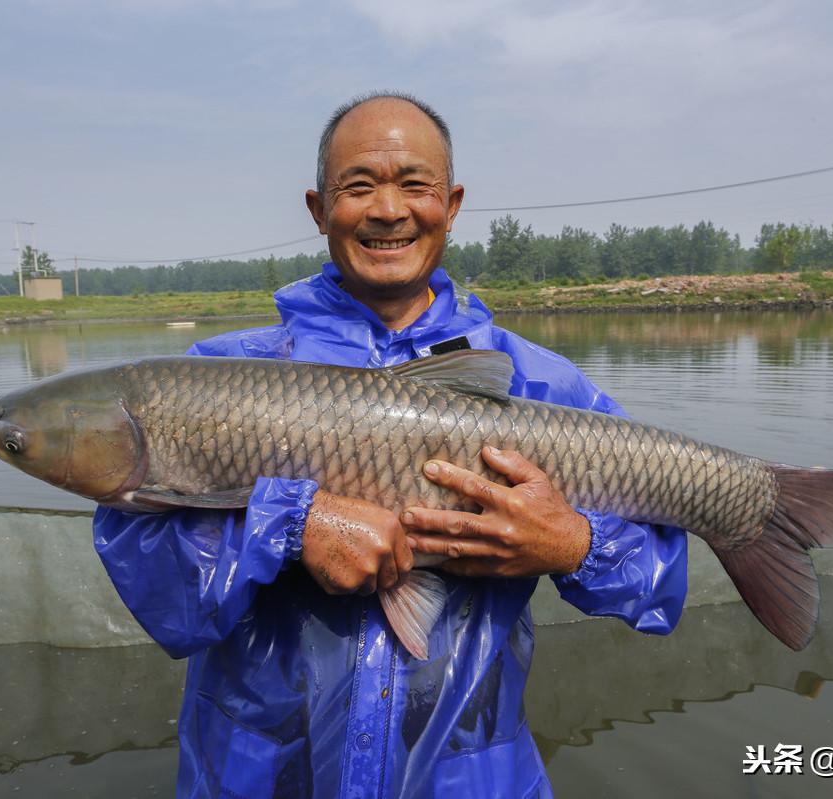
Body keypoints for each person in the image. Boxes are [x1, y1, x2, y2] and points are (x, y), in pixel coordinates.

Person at [93, 92, 688, 798]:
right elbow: (156, 584)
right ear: (319, 209)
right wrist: (288, 525)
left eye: (414, 184)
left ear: (452, 202)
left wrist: (572, 543)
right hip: (258, 776)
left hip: (472, 779)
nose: (387, 209)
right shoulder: (211, 378)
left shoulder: (537, 385)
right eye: (359, 186)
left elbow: (659, 581)